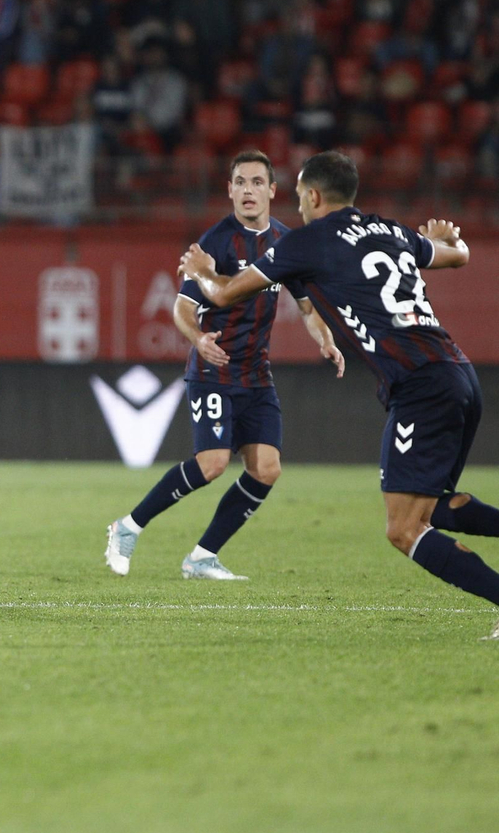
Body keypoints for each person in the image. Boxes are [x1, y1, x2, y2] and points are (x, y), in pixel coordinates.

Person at [179, 150, 499, 637]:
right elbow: (459, 255)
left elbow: (222, 295)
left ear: (311, 195)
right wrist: (445, 239)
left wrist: (201, 269)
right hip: (459, 375)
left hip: (420, 387)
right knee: (431, 508)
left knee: (403, 529)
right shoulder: (390, 230)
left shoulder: (306, 243)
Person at [105, 151, 345, 580]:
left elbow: (307, 307)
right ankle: (127, 527)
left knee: (266, 469)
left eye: (257, 182)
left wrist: (326, 340)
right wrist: (198, 338)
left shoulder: (286, 242)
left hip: (256, 374)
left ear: (272, 191)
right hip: (213, 370)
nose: (248, 190)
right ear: (230, 190)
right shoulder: (215, 242)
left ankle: (202, 557)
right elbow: (181, 306)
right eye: (240, 182)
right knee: (212, 463)